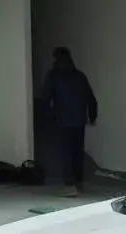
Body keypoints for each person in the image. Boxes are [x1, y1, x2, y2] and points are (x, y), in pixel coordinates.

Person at [42, 46, 98, 196]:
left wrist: (48, 118)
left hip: (62, 120)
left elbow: (46, 98)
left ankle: (69, 185)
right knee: (77, 152)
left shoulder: (54, 75)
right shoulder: (80, 76)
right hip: (79, 120)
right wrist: (92, 116)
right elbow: (90, 98)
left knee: (65, 152)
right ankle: (79, 183)